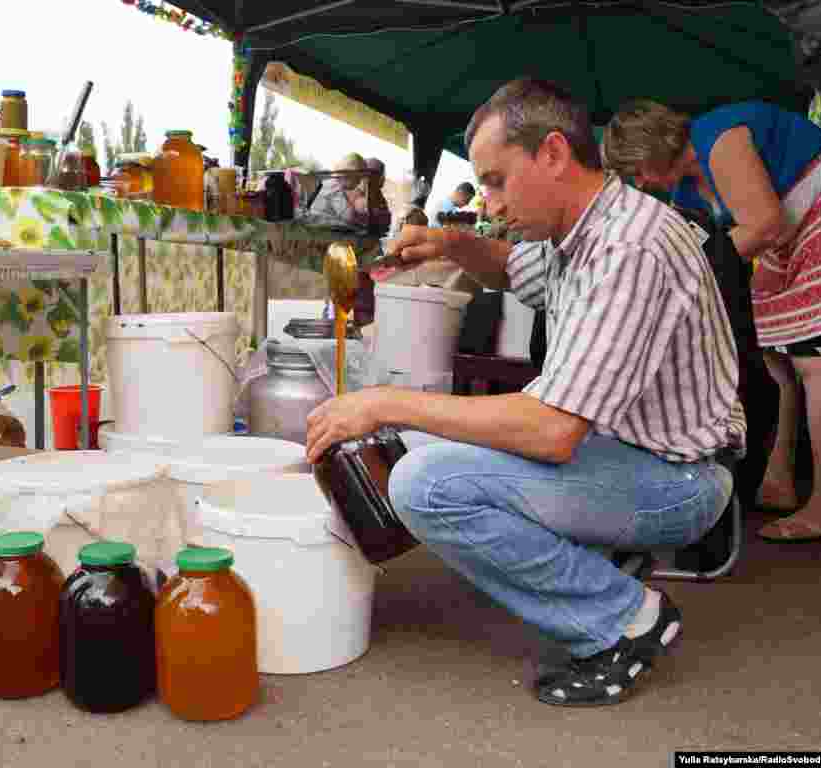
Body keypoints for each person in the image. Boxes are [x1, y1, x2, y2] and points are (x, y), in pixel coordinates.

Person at [306, 78, 745, 707]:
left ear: (554, 154)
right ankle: (595, 566)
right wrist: (454, 243)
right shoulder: (582, 228)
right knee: (421, 440)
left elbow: (552, 430)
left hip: (679, 482)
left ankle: (625, 618)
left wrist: (381, 401)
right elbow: (511, 269)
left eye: (495, 180)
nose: (491, 201)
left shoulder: (629, 249)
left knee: (424, 483)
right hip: (624, 452)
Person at [602, 99, 821, 541]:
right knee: (777, 355)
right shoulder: (686, 189)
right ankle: (780, 477)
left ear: (653, 146)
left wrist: (684, 272)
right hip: (799, 230)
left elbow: (763, 226)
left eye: (636, 169)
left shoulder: (718, 140)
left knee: (816, 359)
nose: (639, 183)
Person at [309, 152, 369, 227]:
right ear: (349, 174)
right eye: (358, 178)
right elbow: (348, 217)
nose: (359, 182)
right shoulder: (333, 187)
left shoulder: (330, 183)